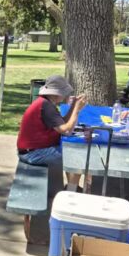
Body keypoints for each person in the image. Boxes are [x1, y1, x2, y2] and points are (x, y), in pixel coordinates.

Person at [16, 75, 86, 242]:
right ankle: (70, 197)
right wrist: (76, 109)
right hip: (32, 153)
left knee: (72, 156)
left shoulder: (46, 104)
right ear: (56, 94)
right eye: (64, 93)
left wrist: (74, 108)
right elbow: (67, 130)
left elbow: (61, 123)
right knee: (76, 160)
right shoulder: (46, 107)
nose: (65, 96)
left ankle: (71, 189)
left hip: (33, 149)